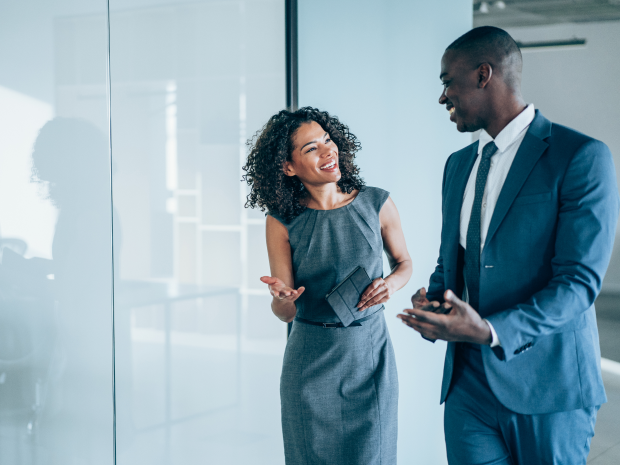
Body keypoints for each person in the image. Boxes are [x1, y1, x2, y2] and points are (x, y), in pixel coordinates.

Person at [398, 26, 619, 464]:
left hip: (548, 386)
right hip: (467, 387)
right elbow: (453, 259)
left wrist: (491, 330)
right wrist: (435, 304)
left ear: (484, 75)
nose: (443, 97)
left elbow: (577, 284)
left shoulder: (580, 156)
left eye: (447, 81)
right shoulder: (458, 165)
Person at [242, 107, 412, 464]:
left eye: (328, 141)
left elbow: (404, 264)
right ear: (288, 167)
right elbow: (284, 312)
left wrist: (392, 285)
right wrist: (282, 298)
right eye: (311, 148)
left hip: (369, 357)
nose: (328, 151)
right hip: (310, 362)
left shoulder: (376, 202)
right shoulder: (281, 222)